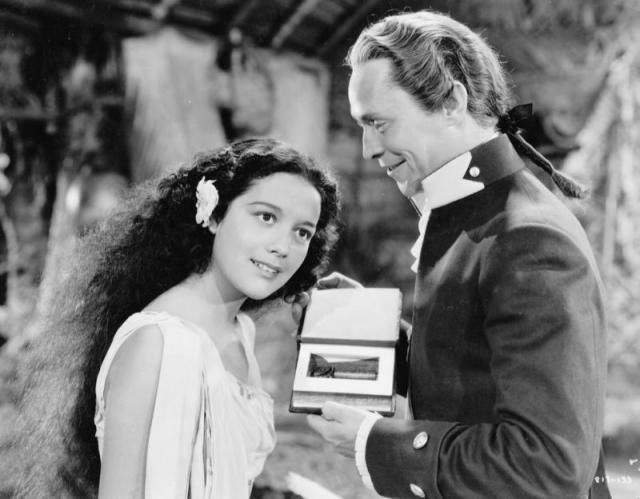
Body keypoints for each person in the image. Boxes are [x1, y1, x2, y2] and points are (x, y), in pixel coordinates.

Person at [307, 10, 610, 499]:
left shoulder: (529, 239)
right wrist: (370, 332)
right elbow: (475, 370)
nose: (367, 149)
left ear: (451, 102)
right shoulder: (479, 213)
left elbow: (544, 470)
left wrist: (373, 442)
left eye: (378, 123)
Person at [15, 137, 340, 499]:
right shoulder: (155, 342)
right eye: (266, 217)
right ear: (214, 214)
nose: (282, 247)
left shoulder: (241, 331)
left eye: (302, 232)